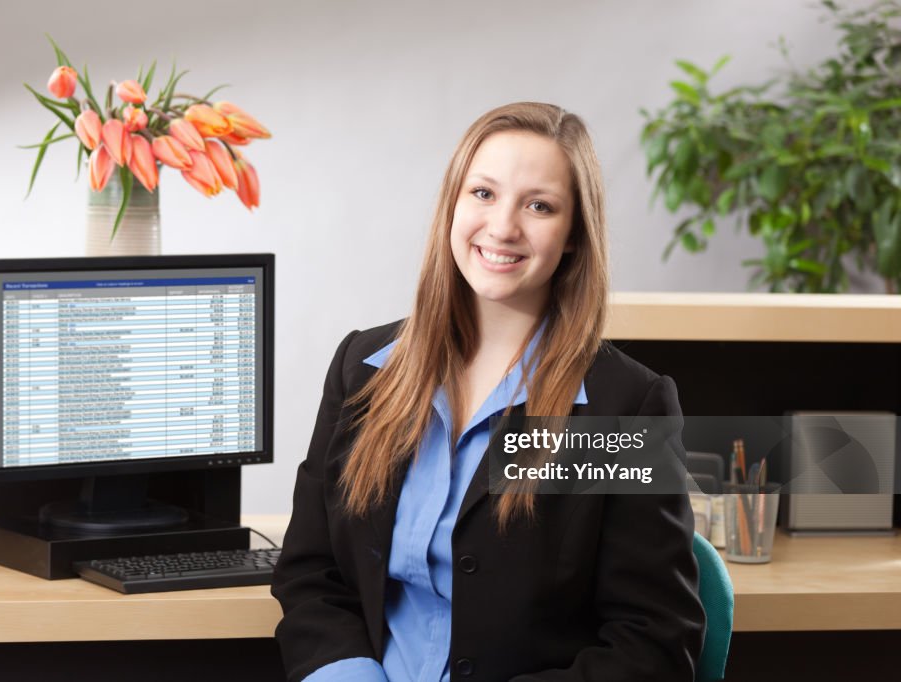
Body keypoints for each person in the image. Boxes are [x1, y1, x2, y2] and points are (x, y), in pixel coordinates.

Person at [271, 102, 705, 681]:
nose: (503, 227)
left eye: (539, 205)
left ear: (574, 233)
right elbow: (311, 571)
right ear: (452, 204)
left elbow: (652, 643)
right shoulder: (364, 368)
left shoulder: (621, 409)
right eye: (483, 194)